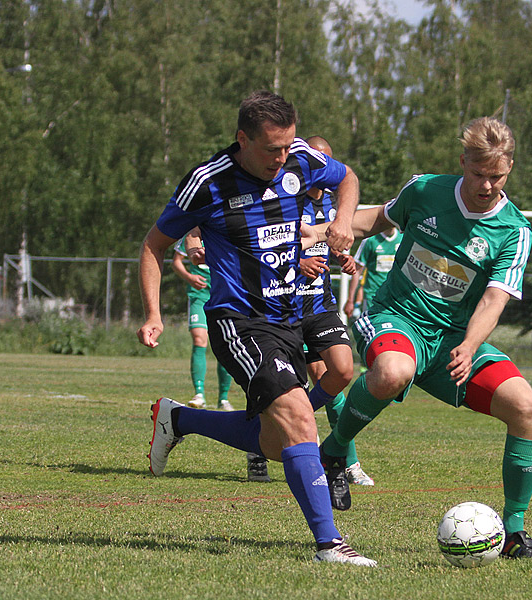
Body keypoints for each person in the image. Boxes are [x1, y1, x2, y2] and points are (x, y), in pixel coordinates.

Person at [138, 90, 376, 566]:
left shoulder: (300, 161)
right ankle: (331, 544)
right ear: (242, 139)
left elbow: (346, 176)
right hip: (238, 321)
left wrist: (343, 221)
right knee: (299, 421)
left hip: (291, 317)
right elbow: (153, 245)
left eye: (288, 146)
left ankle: (178, 418)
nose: (283, 158)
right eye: (271, 149)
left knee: (278, 440)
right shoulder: (207, 183)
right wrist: (153, 313)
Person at [313, 117, 532, 560]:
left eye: (496, 176)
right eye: (478, 174)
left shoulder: (514, 231)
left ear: (510, 168)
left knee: (528, 408)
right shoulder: (425, 190)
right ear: (463, 163)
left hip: (455, 343)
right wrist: (321, 231)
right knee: (392, 371)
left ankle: (515, 532)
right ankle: (335, 450)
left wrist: (470, 344)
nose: (486, 185)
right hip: (395, 318)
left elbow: (494, 299)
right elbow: (376, 219)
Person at [246, 135, 374, 486]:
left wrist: (344, 259)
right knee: (292, 382)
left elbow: (334, 244)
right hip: (285, 306)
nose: (320, 169)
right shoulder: (286, 199)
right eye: (315, 160)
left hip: (320, 304)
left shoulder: (334, 206)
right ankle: (266, 448)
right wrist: (297, 261)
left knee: (341, 371)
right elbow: (263, 247)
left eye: (326, 162)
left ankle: (340, 456)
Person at [171, 228, 234, 411]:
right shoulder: (191, 233)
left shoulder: (224, 230)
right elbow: (176, 262)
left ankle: (223, 398)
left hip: (222, 294)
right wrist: (189, 277)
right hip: (199, 295)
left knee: (225, 341)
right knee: (199, 339)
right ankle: (199, 394)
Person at [342, 226, 402, 320]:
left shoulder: (402, 238)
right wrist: (350, 300)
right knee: (373, 329)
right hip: (373, 296)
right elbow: (357, 271)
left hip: (395, 297)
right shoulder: (371, 240)